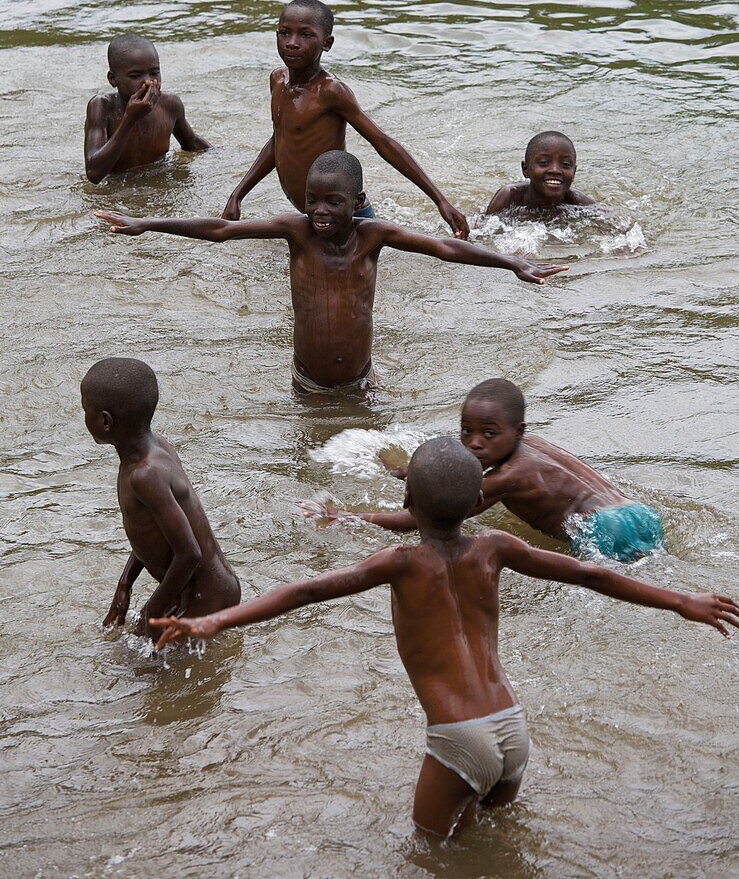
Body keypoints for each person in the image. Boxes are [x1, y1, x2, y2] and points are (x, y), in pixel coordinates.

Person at [150, 437, 739, 839]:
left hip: (460, 739)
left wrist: (212, 620)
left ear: (407, 503)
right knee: (493, 841)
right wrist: (681, 600)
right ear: (476, 504)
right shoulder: (497, 548)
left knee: (430, 855)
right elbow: (592, 574)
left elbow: (307, 591)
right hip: (512, 729)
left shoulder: (401, 562)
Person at [95, 152, 567, 395]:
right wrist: (147, 223)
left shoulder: (373, 236)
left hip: (362, 379)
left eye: (333, 202)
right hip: (307, 381)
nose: (319, 211)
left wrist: (513, 262)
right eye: (312, 199)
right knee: (308, 459)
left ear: (358, 203)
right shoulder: (295, 231)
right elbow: (221, 229)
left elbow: (444, 247)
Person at [314, 378, 666, 562]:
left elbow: (428, 518)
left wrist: (350, 516)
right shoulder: (533, 446)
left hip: (608, 532)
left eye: (489, 434)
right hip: (635, 512)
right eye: (467, 431)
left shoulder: (507, 478)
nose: (476, 443)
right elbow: (452, 468)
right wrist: (411, 470)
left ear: (518, 431)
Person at [220, 0, 469, 238]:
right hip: (316, 216)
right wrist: (238, 194)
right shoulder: (278, 80)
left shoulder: (330, 91)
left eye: (306, 35)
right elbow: (279, 141)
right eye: (285, 33)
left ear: (326, 43)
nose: (292, 43)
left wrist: (440, 200)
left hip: (346, 219)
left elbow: (383, 143)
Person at [81, 357, 240, 637]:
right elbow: (152, 533)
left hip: (208, 596)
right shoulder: (153, 450)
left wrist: (152, 609)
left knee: (154, 668)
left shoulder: (145, 475)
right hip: (201, 588)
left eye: (85, 410)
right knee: (140, 651)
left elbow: (190, 553)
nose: (84, 416)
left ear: (105, 421)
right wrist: (125, 584)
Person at [84, 33, 209, 182]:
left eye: (154, 73)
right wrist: (129, 119)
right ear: (113, 79)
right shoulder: (102, 107)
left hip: (160, 180)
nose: (148, 82)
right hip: (119, 187)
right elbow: (93, 173)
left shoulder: (170, 104)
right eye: (135, 76)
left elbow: (192, 143)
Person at [485, 131, 595, 215]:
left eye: (565, 164)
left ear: (574, 172)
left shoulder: (579, 203)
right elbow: (481, 236)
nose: (555, 170)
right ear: (525, 169)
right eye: (544, 162)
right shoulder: (510, 196)